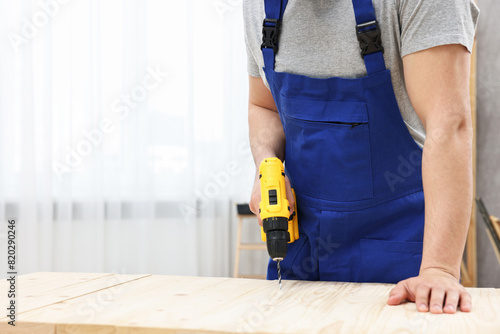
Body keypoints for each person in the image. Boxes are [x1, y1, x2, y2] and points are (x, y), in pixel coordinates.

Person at [245, 0, 479, 314]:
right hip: (301, 257)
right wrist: (267, 164)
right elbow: (264, 106)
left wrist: (439, 270)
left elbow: (449, 125)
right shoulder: (257, 6)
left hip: (403, 260)